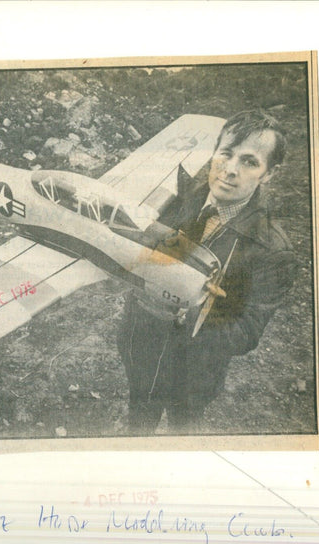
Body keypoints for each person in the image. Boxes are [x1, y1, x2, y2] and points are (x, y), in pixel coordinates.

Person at [117, 110, 297, 434]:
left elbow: (248, 331)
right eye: (226, 154)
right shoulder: (172, 195)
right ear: (214, 152)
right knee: (138, 421)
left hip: (196, 372)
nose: (230, 171)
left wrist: (189, 317)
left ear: (269, 173)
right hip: (141, 346)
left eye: (250, 162)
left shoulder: (273, 250)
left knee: (184, 434)